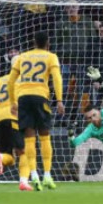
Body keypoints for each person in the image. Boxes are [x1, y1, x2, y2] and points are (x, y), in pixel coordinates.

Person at [7, 32, 64, 192]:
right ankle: (47, 175)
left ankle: (34, 176)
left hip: (23, 98)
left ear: (33, 42)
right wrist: (59, 100)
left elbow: (11, 80)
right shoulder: (51, 56)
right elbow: (57, 78)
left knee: (29, 138)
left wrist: (13, 101)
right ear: (48, 43)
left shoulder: (22, 56)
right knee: (45, 136)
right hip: (40, 97)